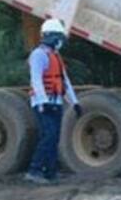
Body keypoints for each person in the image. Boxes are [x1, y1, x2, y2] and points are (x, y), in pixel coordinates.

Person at [25, 18, 82, 184]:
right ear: (51, 36)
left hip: (56, 102)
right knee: (48, 136)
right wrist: (43, 102)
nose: (60, 42)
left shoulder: (56, 56)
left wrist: (75, 102)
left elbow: (64, 81)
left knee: (54, 137)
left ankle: (50, 172)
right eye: (59, 38)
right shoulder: (38, 55)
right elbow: (36, 79)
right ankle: (34, 171)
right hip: (43, 104)